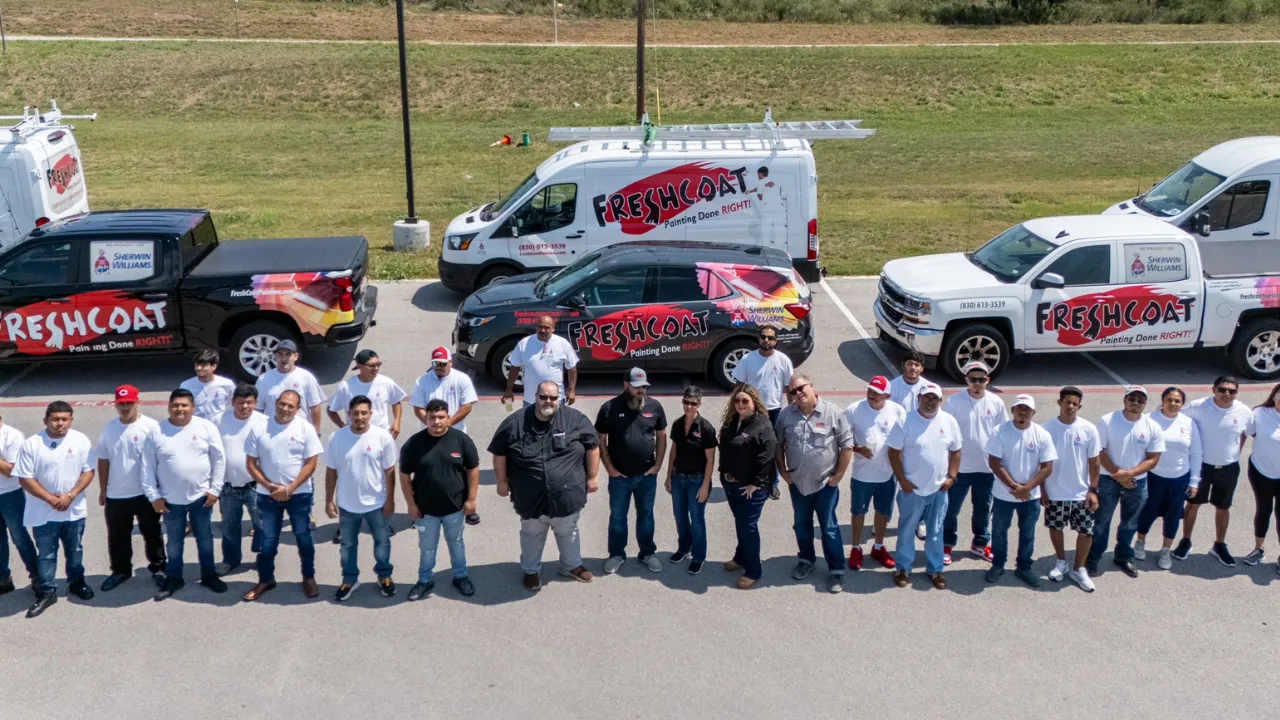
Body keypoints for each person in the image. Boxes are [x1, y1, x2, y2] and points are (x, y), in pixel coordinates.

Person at [489, 381, 598, 592]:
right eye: (543, 397)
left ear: (560, 398)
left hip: (566, 496)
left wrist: (592, 477)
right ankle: (531, 571)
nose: (548, 401)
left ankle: (571, 565)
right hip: (530, 498)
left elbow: (592, 446)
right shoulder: (515, 422)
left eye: (553, 397)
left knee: (568, 531)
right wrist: (501, 482)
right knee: (531, 535)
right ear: (535, 396)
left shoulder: (575, 420)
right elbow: (499, 452)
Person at [143, 388, 228, 600]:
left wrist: (215, 490)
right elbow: (147, 467)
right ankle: (174, 578)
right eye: (175, 405)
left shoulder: (206, 427)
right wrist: (153, 497)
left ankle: (209, 575)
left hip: (201, 498)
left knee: (205, 538)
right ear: (169, 407)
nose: (179, 409)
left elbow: (219, 459)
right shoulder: (156, 432)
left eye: (184, 405)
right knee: (174, 541)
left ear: (193, 407)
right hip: (170, 501)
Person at [14, 401, 95, 618]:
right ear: (46, 420)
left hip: (73, 510)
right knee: (47, 555)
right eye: (55, 419)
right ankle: (47, 592)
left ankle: (76, 582)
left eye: (64, 419)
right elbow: (25, 478)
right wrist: (51, 499)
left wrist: (70, 496)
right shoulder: (32, 444)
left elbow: (88, 472)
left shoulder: (80, 440)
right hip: (43, 513)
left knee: (75, 551)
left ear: (71, 420)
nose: (60, 423)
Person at [243, 389, 324, 602]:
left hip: (299, 495)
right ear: (276, 403)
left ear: (298, 409)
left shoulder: (305, 429)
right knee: (268, 541)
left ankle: (308, 577)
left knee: (303, 538)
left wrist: (289, 489)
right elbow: (251, 464)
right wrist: (270, 487)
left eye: (291, 406)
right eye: (282, 404)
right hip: (267, 496)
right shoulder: (259, 428)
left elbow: (311, 464)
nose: (285, 409)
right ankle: (265, 579)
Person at [776, 373, 854, 593]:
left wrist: (837, 477)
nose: (798, 394)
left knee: (828, 528)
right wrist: (783, 472)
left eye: (801, 388)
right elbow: (778, 445)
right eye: (793, 391)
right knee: (801, 525)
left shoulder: (832, 413)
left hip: (824, 484)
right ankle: (806, 560)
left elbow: (846, 446)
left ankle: (836, 571)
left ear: (812, 386)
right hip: (798, 484)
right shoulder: (786, 416)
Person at [400, 399, 480, 600]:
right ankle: (424, 580)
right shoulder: (414, 444)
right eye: (432, 417)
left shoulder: (461, 440)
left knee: (456, 544)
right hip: (425, 510)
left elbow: (473, 470)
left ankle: (460, 577)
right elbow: (404, 476)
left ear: (447, 417)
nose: (436, 421)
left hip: (455, 508)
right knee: (427, 548)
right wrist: (410, 504)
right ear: (425, 418)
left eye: (441, 417)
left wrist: (471, 500)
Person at [886, 381, 960, 590]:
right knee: (907, 529)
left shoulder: (949, 421)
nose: (930, 401)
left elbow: (956, 451)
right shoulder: (905, 421)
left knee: (935, 531)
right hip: (912, 490)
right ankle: (902, 567)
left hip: (939, 489)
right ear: (918, 399)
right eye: (926, 397)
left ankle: (935, 569)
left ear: (940, 400)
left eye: (934, 398)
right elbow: (893, 453)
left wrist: (952, 477)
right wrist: (903, 481)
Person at [324, 394, 398, 601]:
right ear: (348, 415)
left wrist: (390, 500)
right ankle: (349, 579)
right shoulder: (337, 438)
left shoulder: (382, 437)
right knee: (347, 545)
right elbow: (331, 472)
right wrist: (329, 500)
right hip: (347, 504)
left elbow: (390, 471)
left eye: (364, 413)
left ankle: (384, 576)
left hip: (377, 503)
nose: (360, 417)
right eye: (355, 413)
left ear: (370, 414)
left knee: (382, 542)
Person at [1087, 386, 1165, 579]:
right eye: (1132, 398)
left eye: (1140, 400)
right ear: (1125, 400)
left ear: (1145, 404)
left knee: (1130, 523)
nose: (1136, 403)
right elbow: (1098, 451)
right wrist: (1117, 474)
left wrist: (1129, 474)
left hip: (1136, 482)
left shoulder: (1152, 426)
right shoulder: (1107, 421)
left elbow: (1153, 458)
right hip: (1107, 479)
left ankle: (1122, 557)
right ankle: (1093, 557)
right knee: (1100, 522)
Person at [93, 385, 165, 592]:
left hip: (145, 493)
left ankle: (158, 568)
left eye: (129, 403)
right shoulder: (109, 428)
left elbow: (160, 460)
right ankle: (121, 571)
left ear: (138, 402)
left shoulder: (151, 427)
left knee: (152, 533)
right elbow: (104, 459)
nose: (125, 408)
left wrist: (159, 491)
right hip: (117, 494)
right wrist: (103, 490)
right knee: (117, 536)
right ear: (115, 404)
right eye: (121, 404)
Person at [598, 368, 667, 575]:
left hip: (647, 476)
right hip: (620, 477)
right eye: (637, 387)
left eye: (644, 387)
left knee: (646, 515)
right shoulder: (609, 408)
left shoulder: (654, 406)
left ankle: (647, 553)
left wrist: (658, 465)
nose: (641, 391)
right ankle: (616, 554)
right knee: (618, 517)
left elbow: (662, 435)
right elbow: (600, 439)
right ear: (626, 384)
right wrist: (609, 468)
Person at [984, 394, 1056, 587]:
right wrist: (1014, 487)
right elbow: (994, 463)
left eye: (1027, 409)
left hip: (1030, 497)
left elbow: (1047, 467)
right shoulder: (999, 431)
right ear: (1013, 410)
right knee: (999, 531)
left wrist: (1027, 488)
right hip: (1003, 495)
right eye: (1019, 408)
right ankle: (998, 564)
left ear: (1033, 412)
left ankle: (1024, 566)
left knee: (1027, 532)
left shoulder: (1042, 434)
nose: (1023, 412)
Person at [1179, 375, 1253, 565]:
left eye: (1232, 391)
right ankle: (1185, 541)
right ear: (1213, 390)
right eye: (1222, 389)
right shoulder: (1198, 406)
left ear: (1237, 393)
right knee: (1193, 504)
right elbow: (1178, 420)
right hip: (1201, 466)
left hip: (1228, 468)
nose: (1226, 394)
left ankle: (1219, 545)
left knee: (1223, 507)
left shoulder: (1244, 411)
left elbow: (1245, 434)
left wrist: (1234, 453)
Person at [941, 361, 1007, 565]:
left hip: (986, 469)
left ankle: (980, 543)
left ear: (987, 380)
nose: (977, 383)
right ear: (966, 380)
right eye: (973, 379)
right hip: (959, 468)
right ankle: (946, 544)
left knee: (982, 509)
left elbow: (1002, 435)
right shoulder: (954, 402)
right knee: (951, 509)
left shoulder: (996, 403)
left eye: (981, 379)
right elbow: (946, 434)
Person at [410, 346, 480, 525]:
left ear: (450, 362)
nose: (438, 367)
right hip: (428, 435)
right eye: (435, 363)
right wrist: (431, 425)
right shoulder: (422, 381)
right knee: (424, 473)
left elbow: (467, 406)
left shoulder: (461, 379)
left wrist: (446, 424)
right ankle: (420, 509)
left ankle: (468, 507)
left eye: (442, 363)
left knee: (462, 473)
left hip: (456, 435)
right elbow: (418, 407)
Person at [1041, 386, 1102, 592]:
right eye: (1067, 402)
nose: (1071, 407)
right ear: (1059, 403)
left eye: (1075, 404)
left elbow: (1094, 462)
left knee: (1086, 531)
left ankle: (1079, 568)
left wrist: (1092, 490)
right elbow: (1040, 463)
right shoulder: (1046, 428)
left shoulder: (1089, 429)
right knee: (1056, 528)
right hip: (1054, 491)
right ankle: (1061, 562)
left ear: (1080, 406)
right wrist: (1042, 489)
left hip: (1081, 493)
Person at [1134, 387, 1202, 570]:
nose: (1173, 404)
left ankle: (1165, 550)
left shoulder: (1188, 423)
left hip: (1179, 478)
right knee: (1147, 511)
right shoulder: (1148, 419)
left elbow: (1196, 453)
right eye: (1169, 400)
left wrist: (1194, 481)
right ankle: (1140, 542)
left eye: (1177, 401)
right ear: (1162, 401)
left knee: (1173, 516)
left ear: (1182, 404)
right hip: (1153, 476)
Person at [718, 384, 777, 590]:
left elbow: (767, 457)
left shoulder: (762, 426)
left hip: (751, 488)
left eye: (745, 401)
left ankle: (753, 570)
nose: (740, 404)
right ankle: (740, 557)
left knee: (748, 527)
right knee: (741, 523)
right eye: (737, 400)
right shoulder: (733, 421)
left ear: (754, 402)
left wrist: (756, 483)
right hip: (731, 484)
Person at [844, 376, 906, 571]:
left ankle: (878, 546)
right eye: (870, 391)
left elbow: (903, 439)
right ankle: (855, 548)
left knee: (883, 512)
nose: (871, 395)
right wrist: (858, 448)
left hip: (887, 474)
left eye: (877, 393)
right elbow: (842, 439)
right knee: (858, 512)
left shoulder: (897, 411)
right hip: (862, 474)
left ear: (887, 395)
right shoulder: (854, 410)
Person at [731, 326, 794, 499]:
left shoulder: (783, 360)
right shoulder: (747, 359)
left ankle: (771, 484)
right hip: (752, 412)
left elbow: (789, 388)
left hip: (774, 412)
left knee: (771, 450)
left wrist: (792, 410)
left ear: (776, 341)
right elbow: (739, 386)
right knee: (749, 448)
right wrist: (733, 408)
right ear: (758, 339)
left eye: (771, 338)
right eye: (764, 337)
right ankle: (751, 479)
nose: (767, 340)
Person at [214, 383, 267, 576]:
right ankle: (231, 560)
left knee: (262, 524)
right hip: (227, 487)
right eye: (241, 403)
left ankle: (262, 557)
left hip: (256, 486)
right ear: (232, 402)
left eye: (250, 403)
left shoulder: (264, 422)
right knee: (229, 527)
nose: (245, 407)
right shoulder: (219, 420)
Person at [664, 386, 717, 576]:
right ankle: (683, 548)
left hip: (697, 480)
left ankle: (698, 557)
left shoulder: (706, 428)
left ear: (699, 405)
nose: (689, 406)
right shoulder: (678, 424)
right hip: (679, 478)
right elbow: (674, 450)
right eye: (686, 402)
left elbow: (710, 460)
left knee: (696, 520)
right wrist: (669, 474)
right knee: (679, 516)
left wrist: (705, 485)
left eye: (693, 403)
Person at [889, 351, 930, 541]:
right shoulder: (892, 387)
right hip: (896, 443)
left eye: (917, 365)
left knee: (917, 484)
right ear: (903, 365)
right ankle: (884, 517)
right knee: (891, 483)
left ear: (921, 368)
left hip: (919, 445)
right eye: (910, 364)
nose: (913, 368)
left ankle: (919, 521)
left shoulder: (930, 388)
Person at [502, 315, 579, 408]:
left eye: (547, 328)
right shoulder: (524, 343)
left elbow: (572, 368)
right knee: (529, 423)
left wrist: (571, 391)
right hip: (530, 400)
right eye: (540, 326)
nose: (543, 330)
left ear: (553, 329)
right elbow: (514, 367)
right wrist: (509, 389)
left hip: (555, 399)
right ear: (536, 327)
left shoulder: (563, 344)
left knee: (556, 422)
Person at [327, 348, 406, 438]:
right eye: (371, 365)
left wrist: (397, 423)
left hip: (381, 436)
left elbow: (396, 401)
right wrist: (342, 426)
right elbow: (331, 409)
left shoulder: (386, 383)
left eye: (378, 364)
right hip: (356, 437)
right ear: (360, 367)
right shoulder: (345, 387)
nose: (376, 368)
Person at [1244, 385, 1280, 570]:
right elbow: (1249, 433)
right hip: (1261, 472)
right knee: (1263, 510)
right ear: (1274, 396)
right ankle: (1259, 549)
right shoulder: (1259, 413)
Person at [0, 413, 36, 598]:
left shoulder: (12, 436)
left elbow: (11, 471)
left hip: (10, 494)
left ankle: (37, 576)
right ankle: (3, 579)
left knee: (19, 537)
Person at [255, 340, 326, 431]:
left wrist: (316, 432)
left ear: (295, 356)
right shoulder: (263, 379)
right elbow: (258, 410)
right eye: (280, 354)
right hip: (272, 431)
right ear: (275, 356)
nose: (284, 358)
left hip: (299, 431)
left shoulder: (306, 377)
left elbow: (315, 407)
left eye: (288, 354)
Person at [180, 349, 237, 420]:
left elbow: (234, 405)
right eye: (197, 365)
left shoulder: (227, 384)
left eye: (203, 365)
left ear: (214, 366)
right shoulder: (186, 386)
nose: (198, 368)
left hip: (219, 427)